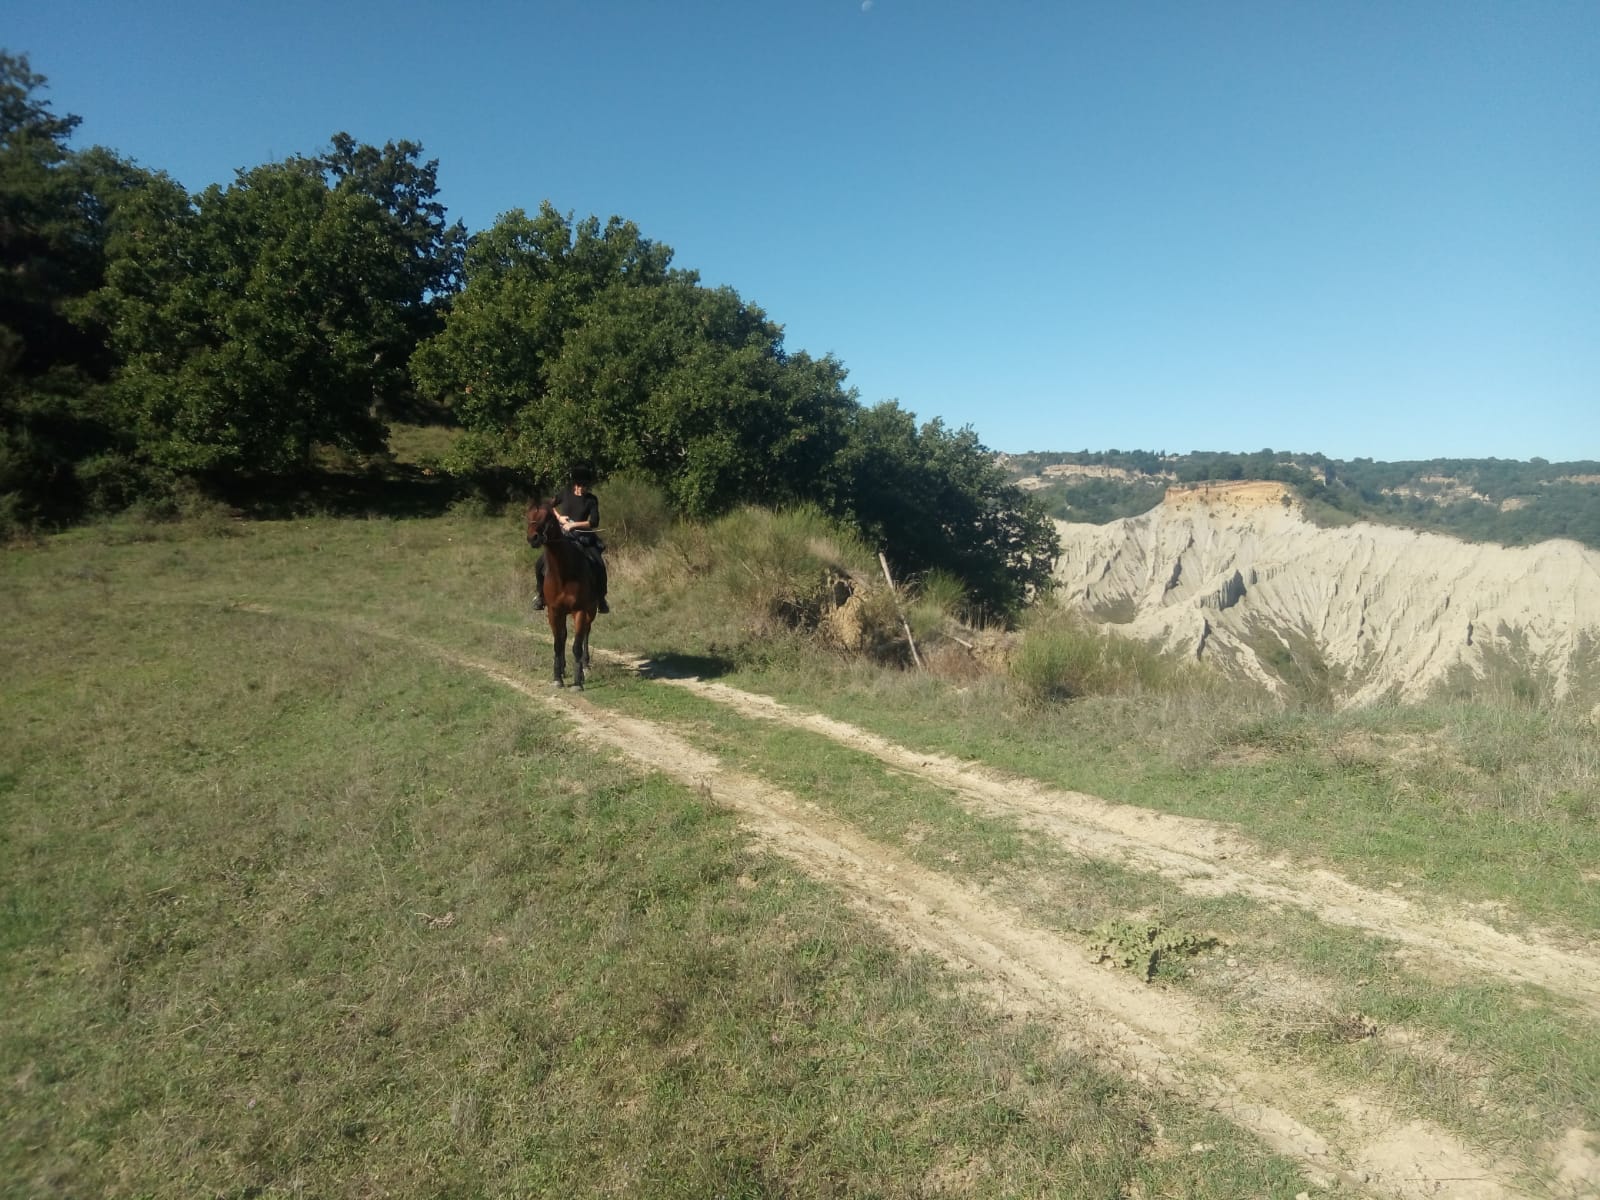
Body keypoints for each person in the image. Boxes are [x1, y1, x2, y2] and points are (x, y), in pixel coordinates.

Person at [532, 467, 610, 613]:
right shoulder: (565, 493)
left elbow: (594, 522)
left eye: (586, 486)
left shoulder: (591, 500)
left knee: (599, 563)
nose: (583, 488)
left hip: (583, 536)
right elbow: (549, 505)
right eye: (581, 485)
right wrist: (559, 517)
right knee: (539, 564)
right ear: (575, 484)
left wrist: (574, 525)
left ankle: (601, 598)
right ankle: (541, 596)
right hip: (563, 537)